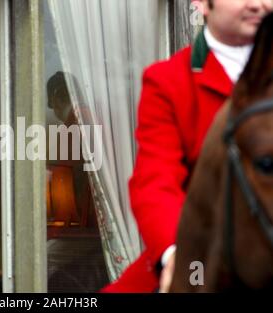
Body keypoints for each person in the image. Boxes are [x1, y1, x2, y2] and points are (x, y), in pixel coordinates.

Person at [102, 0, 273, 293]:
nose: (258, 4)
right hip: (201, 255)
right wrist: (178, 258)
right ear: (202, 4)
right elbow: (155, 182)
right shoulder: (167, 81)